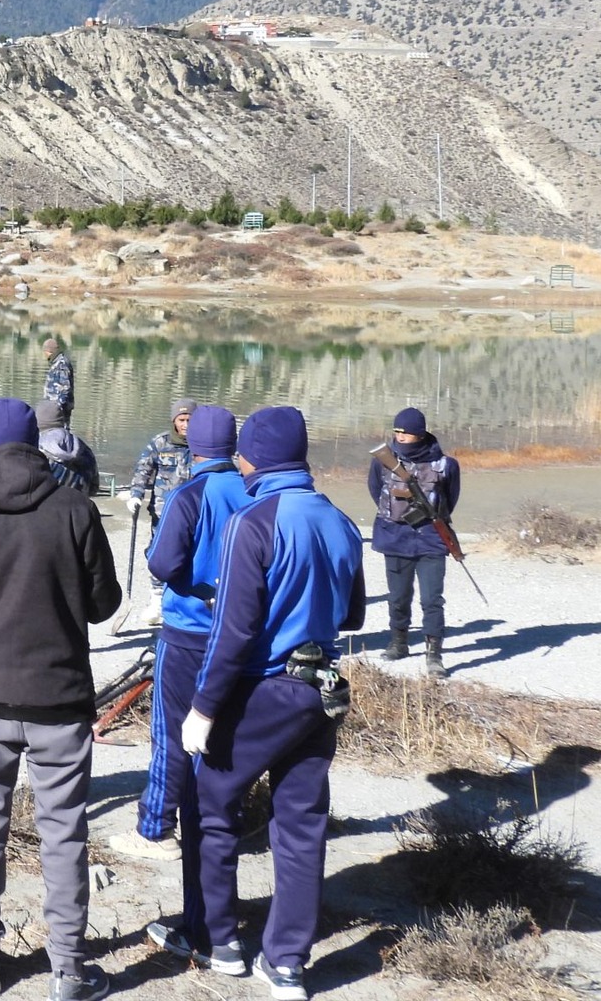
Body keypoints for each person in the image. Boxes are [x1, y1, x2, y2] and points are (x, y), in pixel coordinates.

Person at [0, 398, 120, 1001]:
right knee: (64, 832)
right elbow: (103, 604)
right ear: (36, 442)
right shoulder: (74, 509)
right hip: (58, 698)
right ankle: (68, 967)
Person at [170, 406, 364, 999]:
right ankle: (286, 964)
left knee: (210, 805)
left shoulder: (253, 522)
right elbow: (353, 615)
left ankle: (216, 939)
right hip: (321, 689)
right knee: (301, 824)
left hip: (264, 688)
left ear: (253, 457)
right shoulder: (340, 519)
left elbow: (233, 630)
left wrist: (203, 709)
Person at [110, 405, 245, 863]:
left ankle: (156, 830)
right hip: (241, 635)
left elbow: (163, 564)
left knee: (170, 732)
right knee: (224, 730)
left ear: (198, 445)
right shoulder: (254, 489)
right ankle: (217, 825)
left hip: (188, 630)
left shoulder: (190, 494)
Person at [367, 406, 461, 677]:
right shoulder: (383, 461)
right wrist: (401, 517)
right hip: (395, 538)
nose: (399, 436)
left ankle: (434, 654)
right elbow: (376, 490)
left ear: (419, 434)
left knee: (432, 599)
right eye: (396, 431)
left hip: (431, 540)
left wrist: (426, 517)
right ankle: (399, 642)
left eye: (405, 432)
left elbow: (449, 499)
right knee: (398, 597)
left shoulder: (446, 465)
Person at [125, 399, 197, 628]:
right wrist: (135, 494)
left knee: (190, 555)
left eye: (190, 420)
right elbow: (143, 469)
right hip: (163, 513)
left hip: (195, 513)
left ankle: (182, 600)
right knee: (158, 554)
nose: (186, 424)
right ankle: (156, 599)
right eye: (182, 420)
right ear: (174, 420)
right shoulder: (160, 443)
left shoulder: (203, 445)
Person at [36, 399, 99, 499]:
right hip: (79, 509)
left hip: (45, 508)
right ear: (61, 420)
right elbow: (94, 488)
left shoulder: (36, 450)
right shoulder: (84, 448)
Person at [42, 336, 75, 426]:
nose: (44, 355)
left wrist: (57, 409)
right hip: (53, 409)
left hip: (59, 411)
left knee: (61, 433)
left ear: (50, 352)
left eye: (45, 352)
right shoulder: (56, 363)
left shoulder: (62, 364)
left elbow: (65, 389)